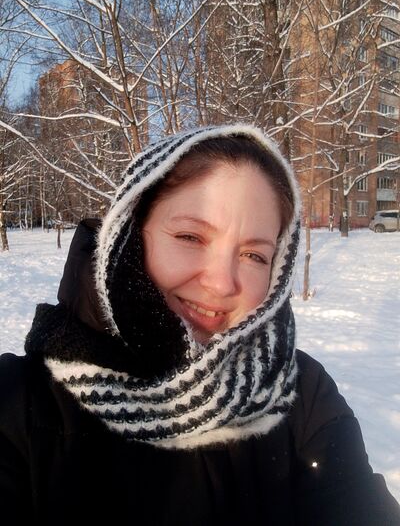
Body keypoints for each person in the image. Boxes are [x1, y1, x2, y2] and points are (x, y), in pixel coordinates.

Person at [0, 125, 399, 526]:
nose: (222, 284)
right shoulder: (19, 402)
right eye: (190, 237)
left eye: (255, 256)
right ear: (128, 235)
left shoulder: (302, 394)